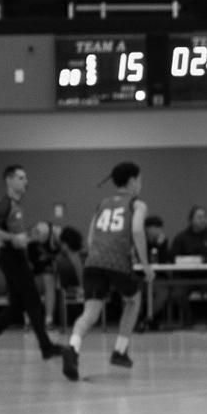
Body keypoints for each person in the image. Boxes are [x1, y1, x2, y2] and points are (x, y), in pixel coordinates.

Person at [61, 162, 150, 379]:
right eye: (139, 180)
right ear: (132, 181)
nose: (140, 184)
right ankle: (120, 350)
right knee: (134, 299)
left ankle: (73, 347)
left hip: (93, 262)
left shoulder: (102, 204)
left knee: (90, 313)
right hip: (117, 262)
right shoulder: (137, 205)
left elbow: (91, 239)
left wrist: (100, 256)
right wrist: (146, 265)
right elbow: (137, 231)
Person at [0, 164, 65, 369]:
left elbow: (17, 238)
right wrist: (12, 238)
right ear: (9, 181)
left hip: (14, 256)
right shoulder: (5, 204)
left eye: (26, 178)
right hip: (11, 258)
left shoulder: (15, 206)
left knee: (17, 305)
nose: (26, 182)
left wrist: (30, 236)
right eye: (21, 178)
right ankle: (46, 347)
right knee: (33, 300)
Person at [167, 205, 207, 331]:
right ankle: (188, 318)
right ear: (191, 220)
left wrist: (204, 259)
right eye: (199, 217)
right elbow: (173, 257)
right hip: (185, 277)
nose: (203, 220)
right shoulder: (181, 238)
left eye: (205, 217)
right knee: (178, 292)